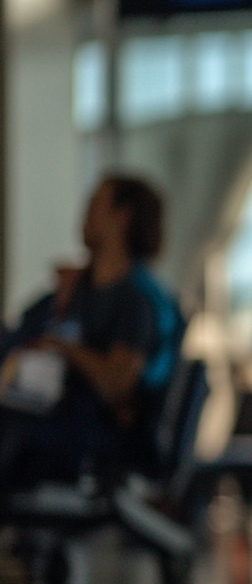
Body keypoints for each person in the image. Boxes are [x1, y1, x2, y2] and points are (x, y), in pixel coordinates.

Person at [0, 175, 172, 486]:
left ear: (122, 217)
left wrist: (63, 347)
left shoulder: (136, 302)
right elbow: (15, 337)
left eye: (95, 204)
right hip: (39, 411)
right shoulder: (70, 292)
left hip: (90, 433)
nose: (85, 213)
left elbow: (116, 386)